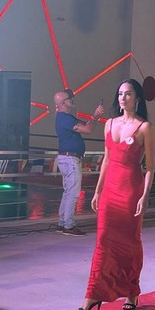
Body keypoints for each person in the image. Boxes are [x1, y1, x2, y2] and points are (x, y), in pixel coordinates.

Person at [74, 78, 155, 310]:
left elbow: (150, 167)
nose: (123, 98)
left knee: (130, 241)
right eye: (120, 93)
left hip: (131, 189)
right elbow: (107, 159)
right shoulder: (109, 124)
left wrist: (145, 195)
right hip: (110, 189)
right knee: (103, 241)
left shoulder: (145, 128)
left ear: (137, 98)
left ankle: (131, 291)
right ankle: (93, 295)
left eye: (128, 94)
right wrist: (98, 190)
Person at [55, 89, 104, 236]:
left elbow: (88, 127)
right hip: (70, 159)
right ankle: (68, 225)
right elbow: (88, 129)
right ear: (63, 102)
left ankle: (62, 222)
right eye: (70, 98)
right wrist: (95, 116)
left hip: (66, 158)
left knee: (68, 191)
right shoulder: (65, 118)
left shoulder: (64, 118)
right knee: (73, 193)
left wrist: (94, 118)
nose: (72, 99)